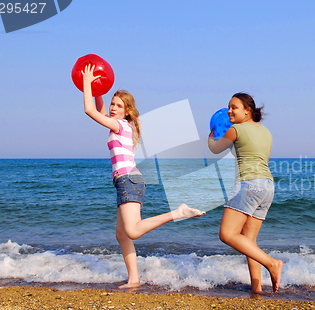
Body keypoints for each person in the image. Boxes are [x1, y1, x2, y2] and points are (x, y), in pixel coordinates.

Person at [81, 64, 205, 289]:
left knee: (132, 231)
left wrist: (87, 84)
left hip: (129, 180)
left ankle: (178, 212)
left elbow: (90, 111)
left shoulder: (120, 125)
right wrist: (98, 86)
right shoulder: (120, 124)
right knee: (122, 235)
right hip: (124, 181)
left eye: (118, 105)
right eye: (112, 103)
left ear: (127, 111)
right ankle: (134, 279)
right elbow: (98, 109)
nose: (113, 108)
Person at [208, 93, 283, 293]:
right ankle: (257, 288)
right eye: (228, 107)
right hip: (267, 186)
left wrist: (211, 134)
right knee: (249, 241)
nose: (229, 111)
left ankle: (272, 263)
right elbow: (264, 159)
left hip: (248, 184)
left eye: (234, 107)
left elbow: (215, 149)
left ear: (247, 110)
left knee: (227, 234)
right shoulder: (266, 131)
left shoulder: (236, 129)